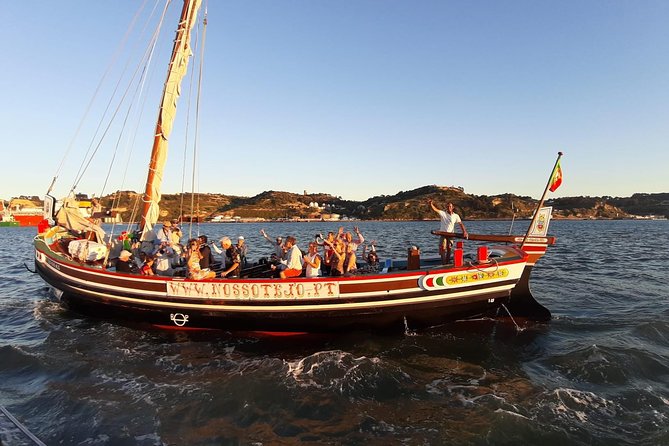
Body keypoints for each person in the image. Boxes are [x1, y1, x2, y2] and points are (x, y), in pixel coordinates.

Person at [429, 199, 468, 264]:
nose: (448, 208)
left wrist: (464, 231)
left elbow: (460, 224)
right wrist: (431, 204)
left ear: (452, 207)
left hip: (450, 234)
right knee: (443, 248)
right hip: (443, 233)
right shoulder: (443, 213)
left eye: (450, 206)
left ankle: (447, 261)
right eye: (447, 206)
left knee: (449, 248)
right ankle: (443, 262)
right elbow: (435, 209)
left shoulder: (456, 216)